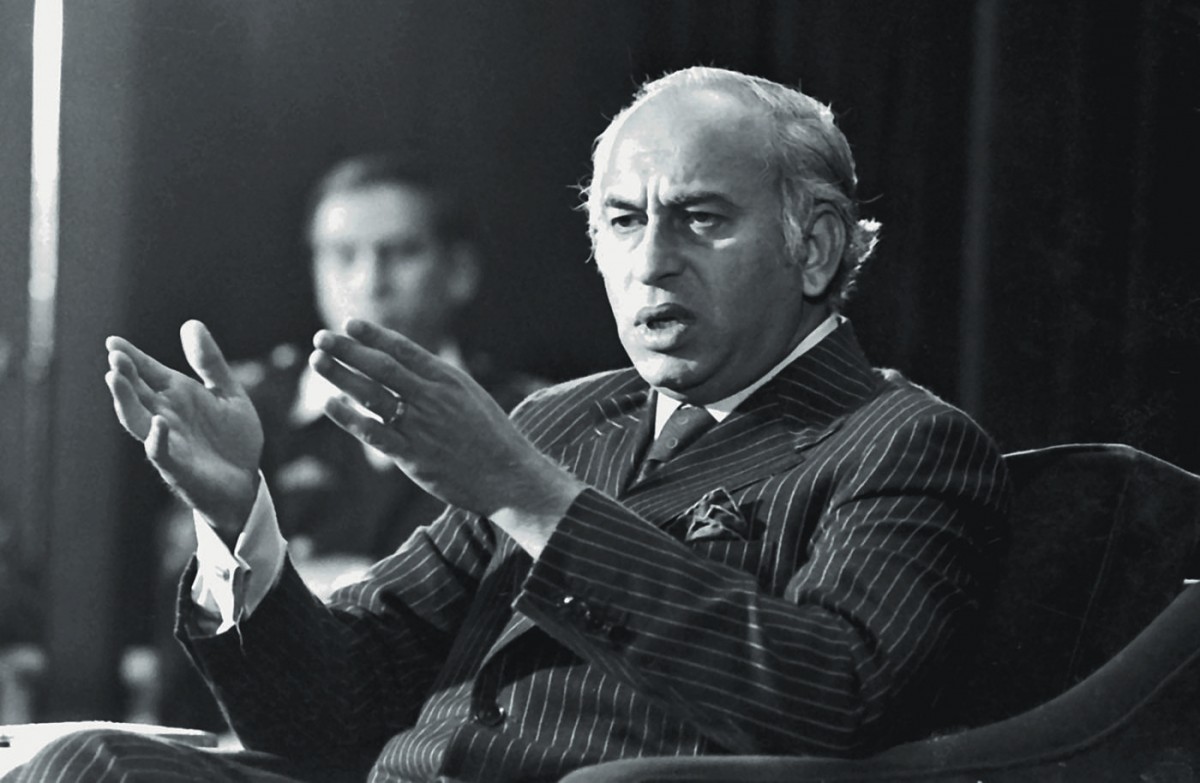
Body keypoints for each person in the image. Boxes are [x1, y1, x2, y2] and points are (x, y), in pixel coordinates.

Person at [8, 66, 1009, 783]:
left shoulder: (902, 441)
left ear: (818, 246)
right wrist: (237, 521)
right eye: (623, 221)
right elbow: (330, 714)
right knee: (85, 761)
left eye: (700, 217)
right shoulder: (564, 418)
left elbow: (836, 699)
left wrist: (530, 495)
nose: (651, 262)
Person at [150, 153, 546, 730]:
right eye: (342, 255)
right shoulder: (248, 414)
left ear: (459, 270)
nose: (369, 281)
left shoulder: (526, 417)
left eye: (400, 253)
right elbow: (189, 625)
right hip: (268, 738)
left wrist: (313, 587)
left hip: (459, 738)